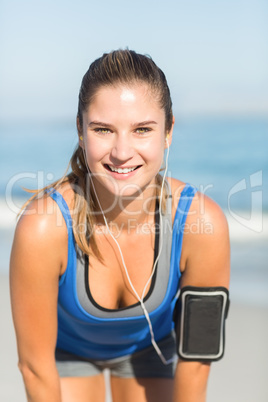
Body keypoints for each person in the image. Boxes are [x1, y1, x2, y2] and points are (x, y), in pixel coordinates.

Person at [10, 49, 230, 402]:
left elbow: (197, 360)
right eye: (103, 129)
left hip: (150, 352)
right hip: (69, 355)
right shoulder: (43, 227)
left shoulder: (200, 223)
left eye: (142, 129)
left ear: (168, 130)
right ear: (81, 130)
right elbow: (34, 366)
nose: (122, 151)